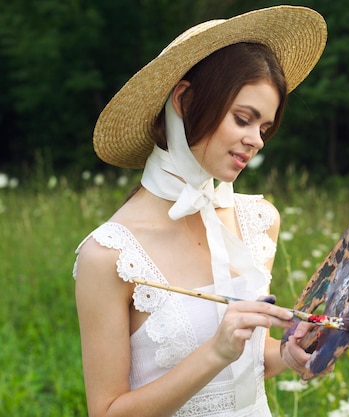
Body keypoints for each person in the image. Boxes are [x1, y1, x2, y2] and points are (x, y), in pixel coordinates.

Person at [73, 6, 328, 417]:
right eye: (243, 119)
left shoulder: (260, 222)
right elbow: (107, 411)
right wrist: (215, 352)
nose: (256, 140)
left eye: (264, 128)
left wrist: (291, 352)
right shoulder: (110, 255)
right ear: (186, 100)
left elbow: (249, 366)